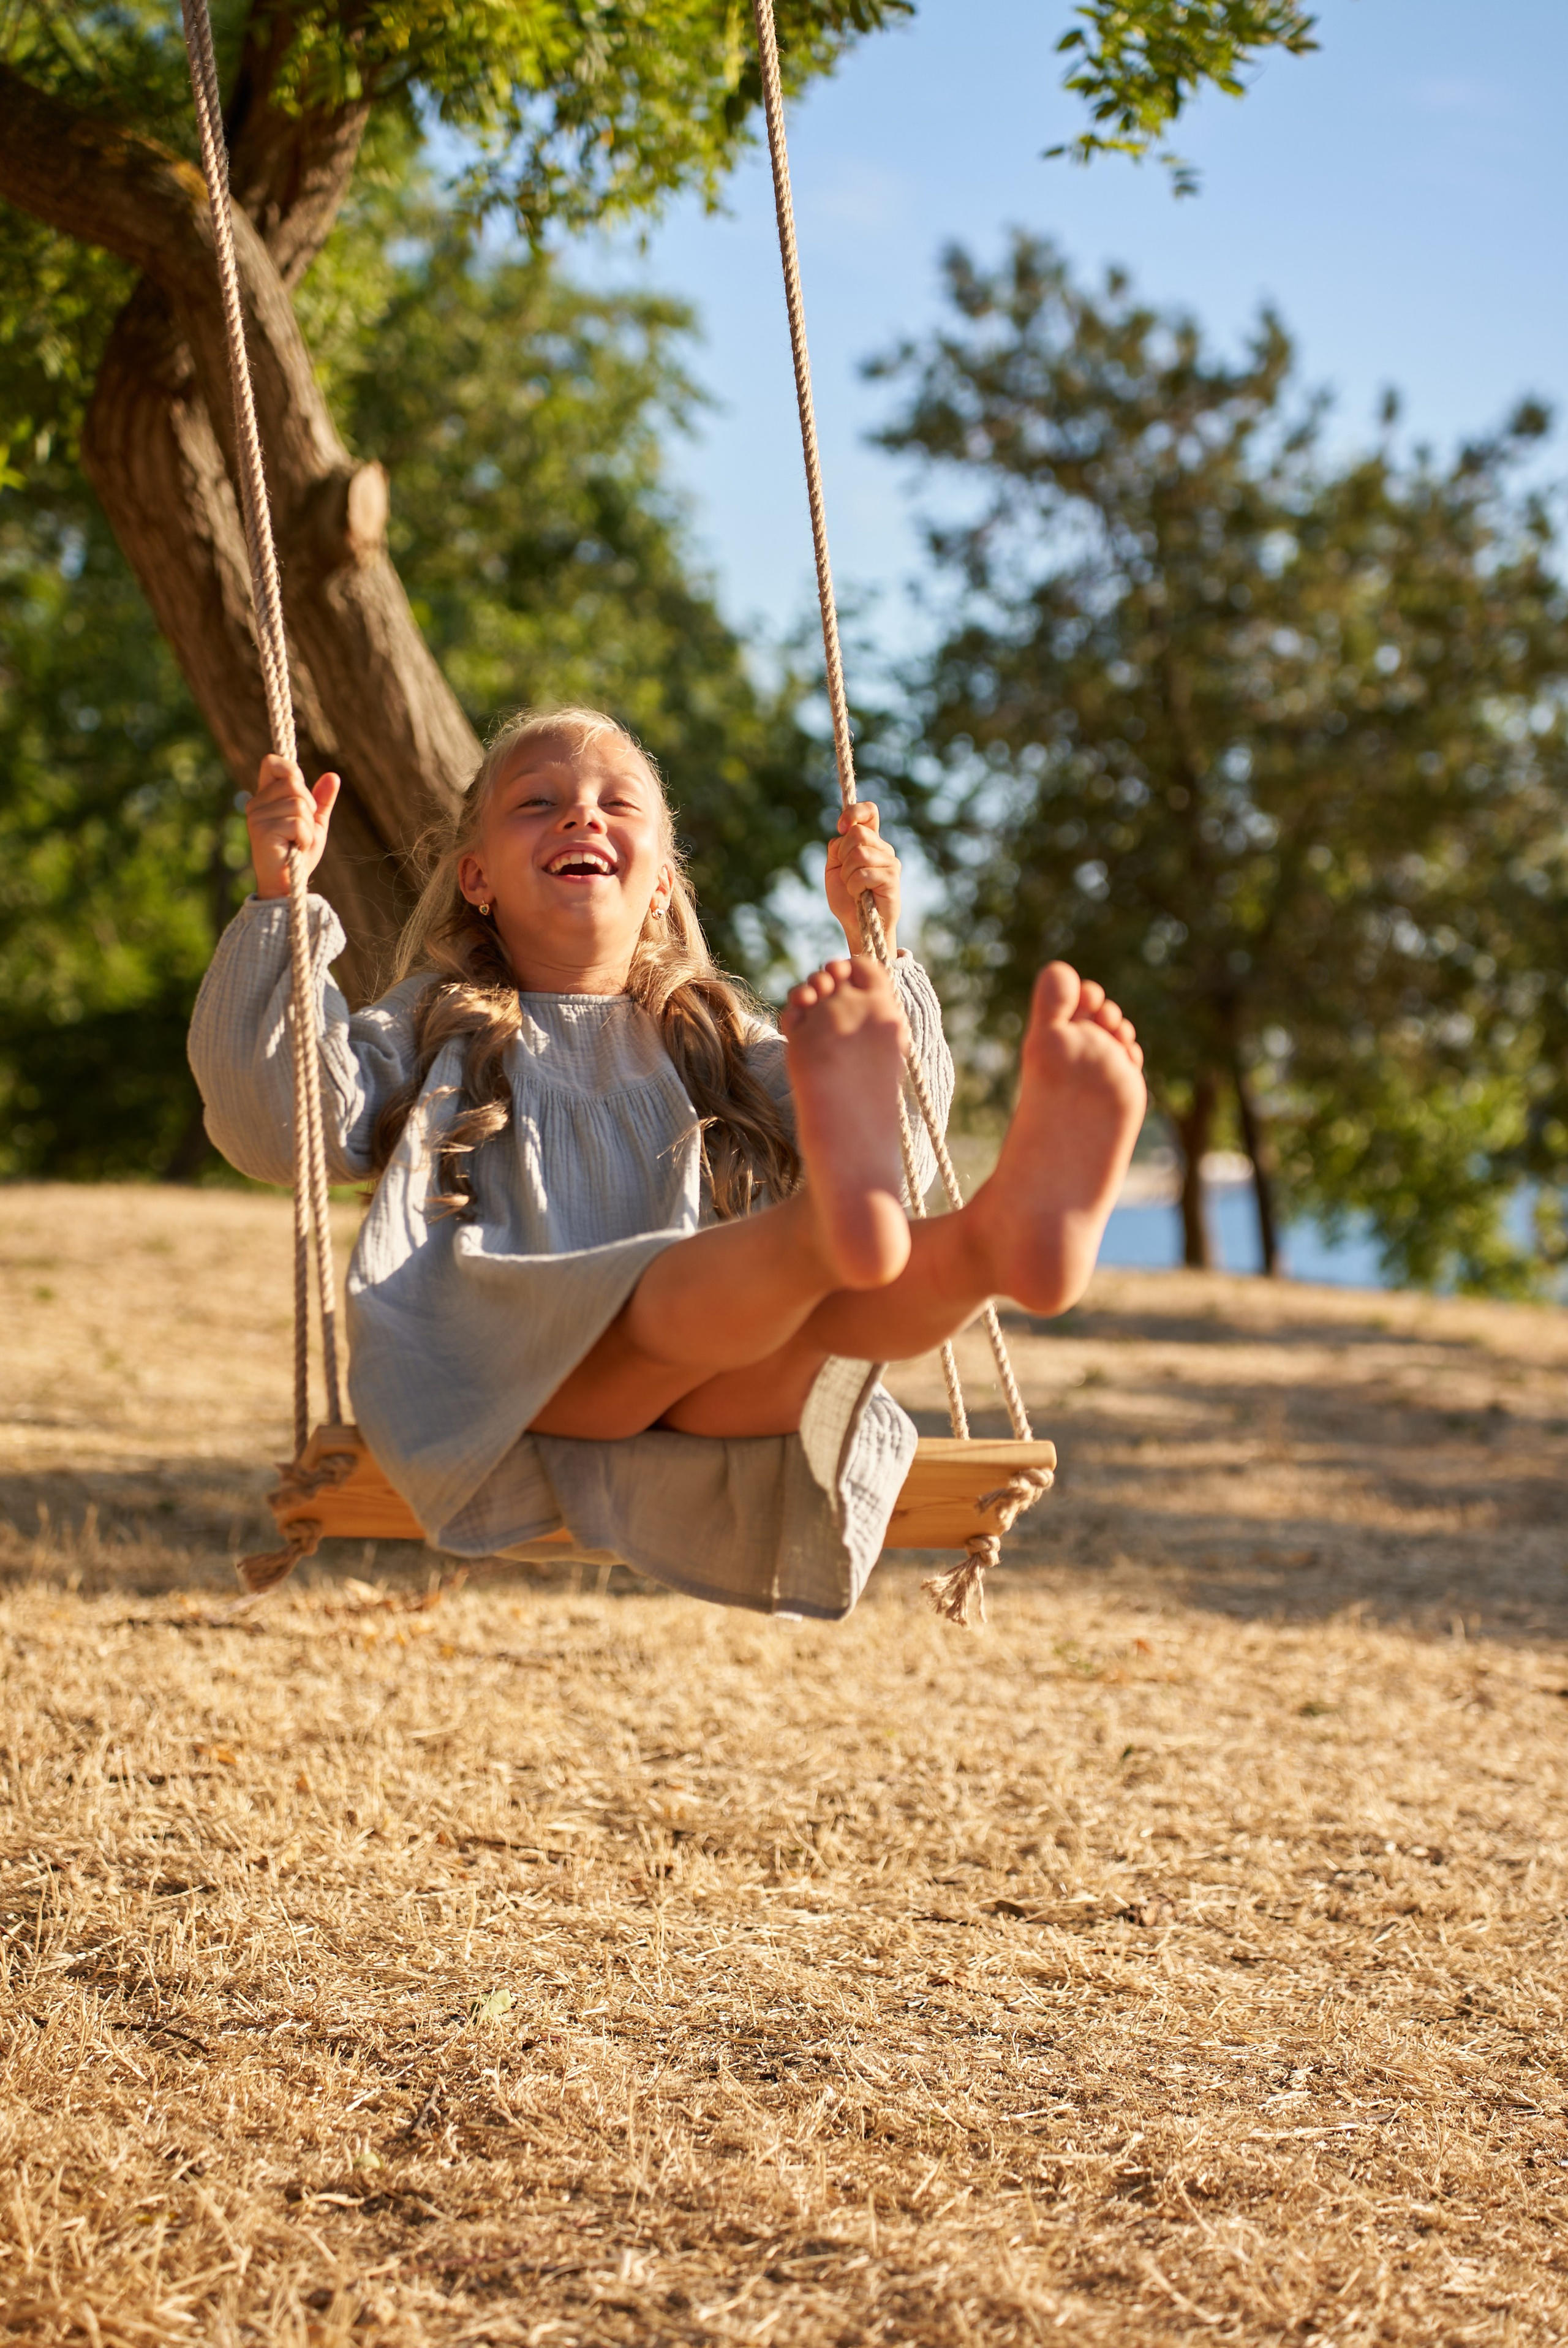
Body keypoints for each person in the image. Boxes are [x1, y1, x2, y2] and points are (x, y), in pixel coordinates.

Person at [189, 708, 1144, 1617]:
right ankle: (830, 1235)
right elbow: (280, 1122)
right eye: (538, 801)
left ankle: (992, 1242)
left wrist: (874, 949)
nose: (580, 813)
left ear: (660, 882)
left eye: (617, 801)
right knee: (714, 1291)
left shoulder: (719, 1043)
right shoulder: (432, 1028)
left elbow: (895, 1146)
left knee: (821, 1324)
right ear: (474, 876)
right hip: (500, 1376)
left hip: (724, 1399)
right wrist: (283, 900)